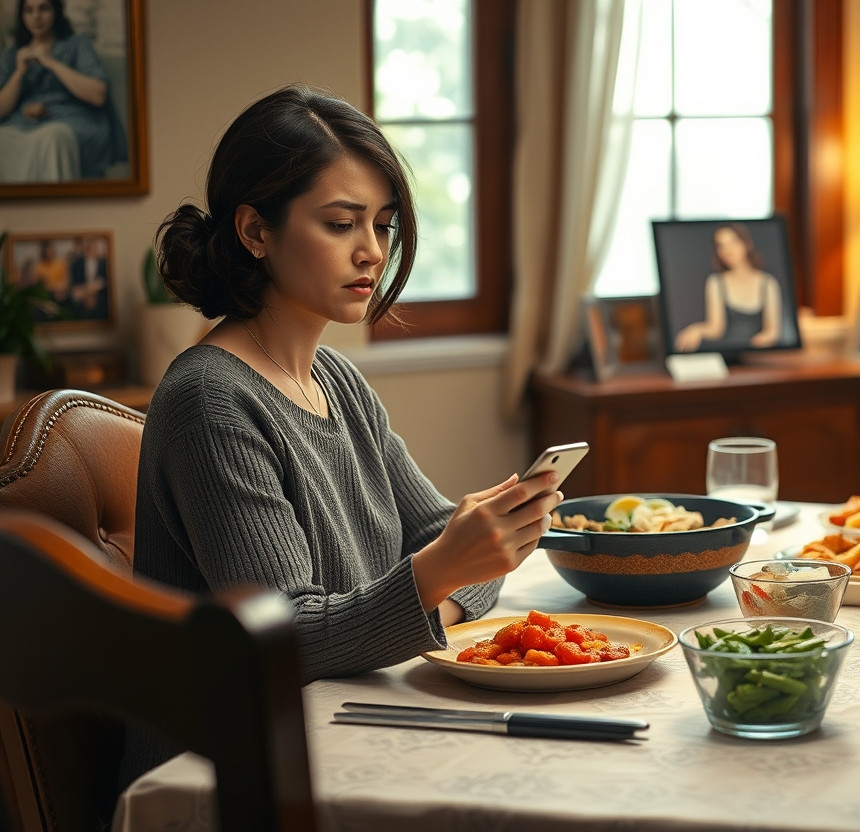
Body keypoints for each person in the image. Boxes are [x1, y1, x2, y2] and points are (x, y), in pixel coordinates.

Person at [129, 84, 563, 779]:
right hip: (226, 774)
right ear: (255, 231)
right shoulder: (209, 400)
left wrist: (446, 575)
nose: (372, 252)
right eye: (341, 224)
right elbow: (284, 638)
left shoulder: (336, 378)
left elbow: (443, 545)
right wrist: (439, 579)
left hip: (342, 729)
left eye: (383, 225)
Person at [0, 0, 127, 182]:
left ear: (56, 11)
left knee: (52, 137)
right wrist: (19, 73)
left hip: (71, 122)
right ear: (22, 16)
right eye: (29, 10)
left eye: (44, 8)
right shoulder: (13, 54)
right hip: (24, 124)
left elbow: (98, 95)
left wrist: (50, 62)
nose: (36, 16)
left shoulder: (77, 44)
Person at [673, 222, 783, 352]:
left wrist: (751, 348)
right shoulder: (715, 282)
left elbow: (772, 332)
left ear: (746, 244)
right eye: (721, 246)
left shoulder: (768, 283)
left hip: (757, 356)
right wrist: (696, 330)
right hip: (727, 354)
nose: (727, 250)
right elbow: (716, 329)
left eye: (733, 242)